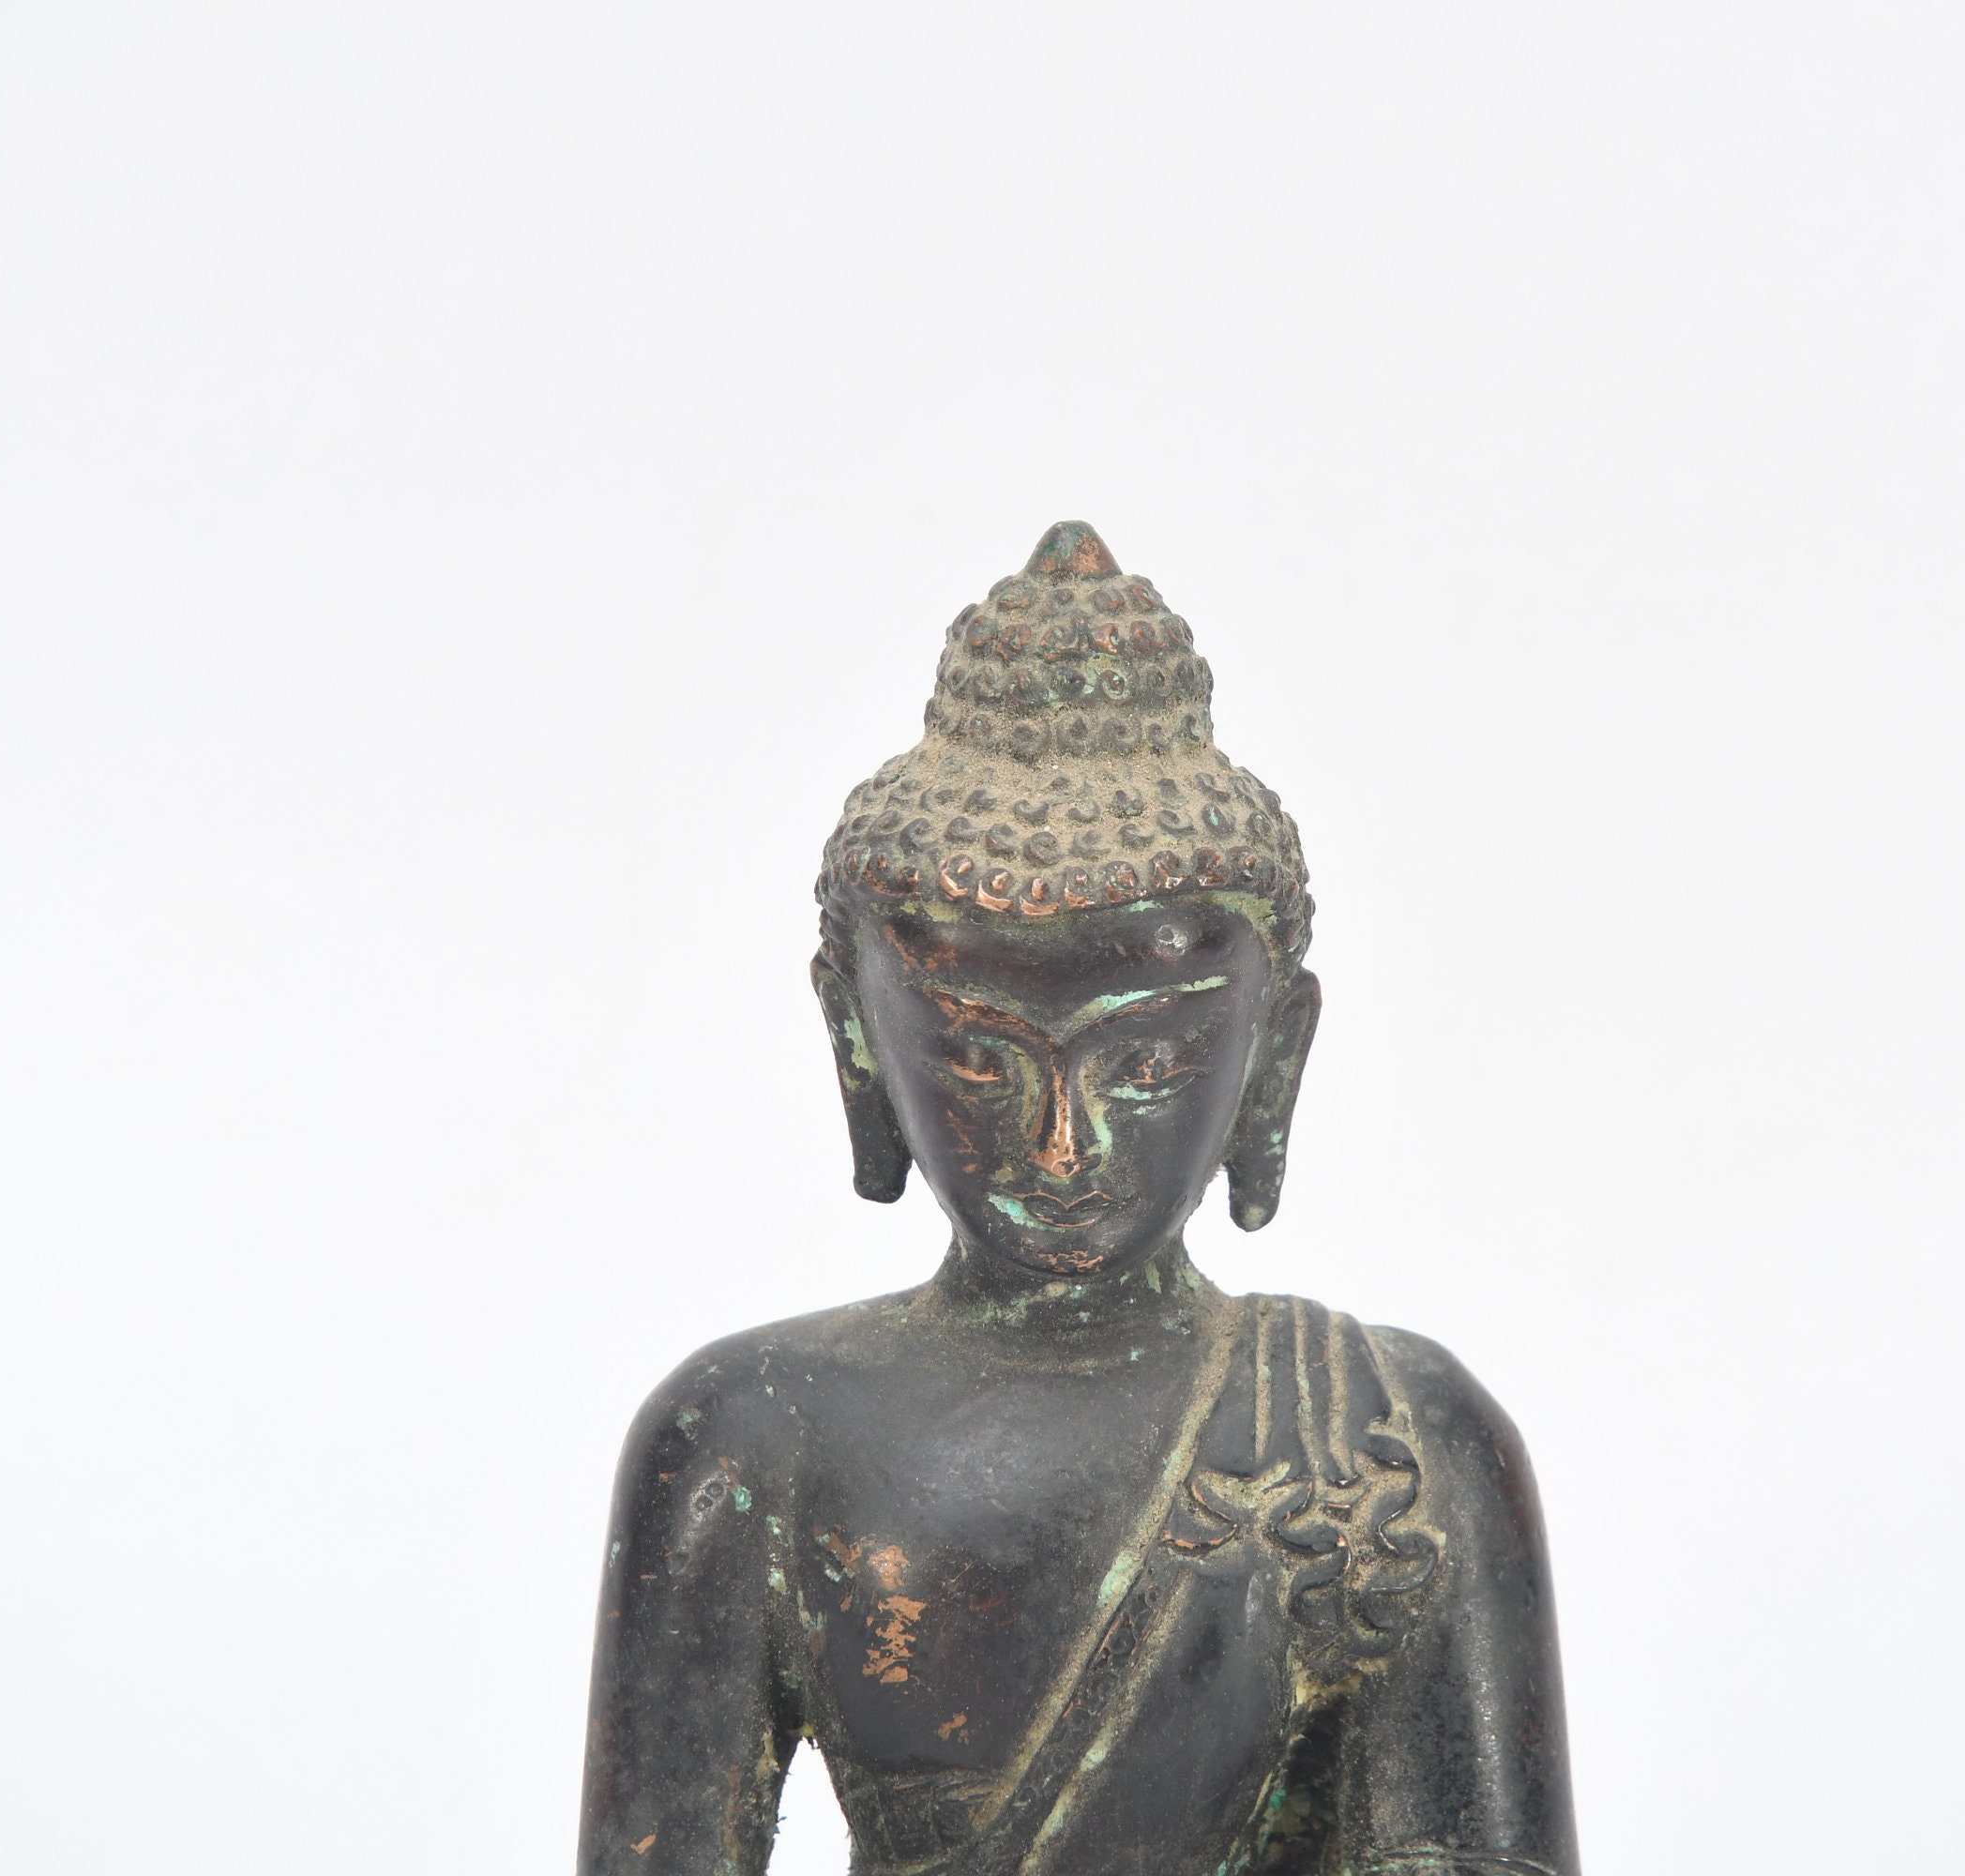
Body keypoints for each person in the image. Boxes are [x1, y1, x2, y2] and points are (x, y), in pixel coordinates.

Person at [578, 524, 1579, 1876]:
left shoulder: (1386, 1438)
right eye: (980, 1059)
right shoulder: (748, 1437)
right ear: (857, 1042)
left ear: (1273, 1055)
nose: (1062, 1145)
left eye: (1148, 1062)